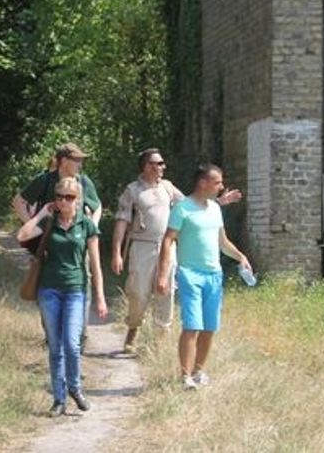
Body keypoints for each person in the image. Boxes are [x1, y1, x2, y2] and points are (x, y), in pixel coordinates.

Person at [111, 149, 242, 353]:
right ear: (147, 166)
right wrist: (117, 252)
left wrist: (220, 202)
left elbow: (192, 205)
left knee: (166, 292)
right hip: (142, 246)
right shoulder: (133, 190)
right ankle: (133, 327)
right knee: (138, 292)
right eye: (158, 163)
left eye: (163, 163)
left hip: (167, 246)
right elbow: (122, 221)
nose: (163, 167)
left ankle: (157, 345)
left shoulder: (168, 187)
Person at [16, 176, 108, 416]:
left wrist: (100, 297)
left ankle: (75, 388)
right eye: (60, 197)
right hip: (49, 290)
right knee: (55, 346)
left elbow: (96, 266)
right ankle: (59, 399)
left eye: (70, 197)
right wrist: (39, 214)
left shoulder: (86, 225)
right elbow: (22, 236)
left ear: (78, 199)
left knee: (72, 343)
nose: (64, 201)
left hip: (76, 290)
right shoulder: (48, 221)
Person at [155, 164, 252, 390]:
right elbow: (168, 240)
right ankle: (185, 376)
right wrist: (163, 274)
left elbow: (222, 242)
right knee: (192, 326)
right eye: (217, 182)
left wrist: (241, 257)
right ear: (203, 183)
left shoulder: (214, 209)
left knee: (209, 327)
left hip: (214, 275)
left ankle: (199, 371)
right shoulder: (182, 208)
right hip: (189, 274)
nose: (221, 187)